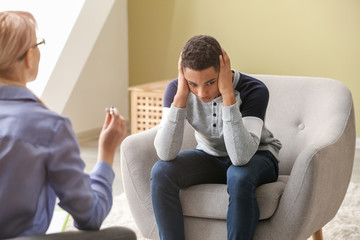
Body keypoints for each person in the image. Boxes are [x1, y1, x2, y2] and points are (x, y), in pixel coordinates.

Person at [0, 11, 129, 238]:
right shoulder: (50, 126)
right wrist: (106, 154)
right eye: (38, 44)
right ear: (29, 56)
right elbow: (90, 216)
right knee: (123, 235)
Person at [151, 35, 282, 240]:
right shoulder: (178, 90)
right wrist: (180, 97)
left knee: (238, 175)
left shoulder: (254, 90)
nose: (202, 93)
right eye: (193, 84)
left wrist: (228, 96)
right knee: (161, 171)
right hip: (210, 156)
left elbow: (240, 157)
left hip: (257, 156)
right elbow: (165, 153)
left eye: (210, 82)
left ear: (223, 71)